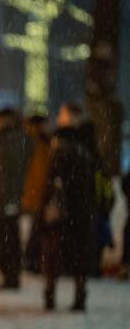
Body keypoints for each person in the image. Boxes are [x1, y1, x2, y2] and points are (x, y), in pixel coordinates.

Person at [39, 103, 98, 311]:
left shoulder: (59, 151)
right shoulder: (87, 149)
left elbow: (50, 182)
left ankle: (50, 295)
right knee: (78, 254)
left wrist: (43, 209)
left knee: (53, 255)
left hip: (61, 212)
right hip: (81, 210)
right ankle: (80, 295)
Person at [0, 107, 33, 289]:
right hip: (9, 197)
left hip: (6, 198)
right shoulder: (20, 139)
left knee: (6, 239)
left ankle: (10, 276)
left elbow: (2, 171)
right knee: (8, 238)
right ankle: (11, 276)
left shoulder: (4, 142)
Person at [21, 115, 52, 273]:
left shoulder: (29, 142)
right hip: (36, 194)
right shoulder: (39, 144)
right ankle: (32, 261)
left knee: (36, 228)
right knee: (37, 229)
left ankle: (31, 261)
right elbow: (40, 174)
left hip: (33, 193)